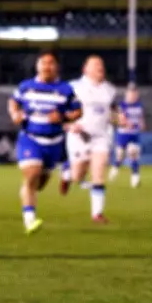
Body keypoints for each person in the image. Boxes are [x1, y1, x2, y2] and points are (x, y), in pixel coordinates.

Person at [8, 51, 82, 234]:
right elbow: (13, 102)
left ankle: (28, 192)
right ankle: (29, 219)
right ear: (37, 66)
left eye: (51, 63)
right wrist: (15, 114)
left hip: (54, 142)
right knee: (32, 175)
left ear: (56, 67)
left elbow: (78, 111)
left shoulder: (65, 89)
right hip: (30, 138)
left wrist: (63, 117)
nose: (47, 67)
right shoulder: (26, 87)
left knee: (39, 184)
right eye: (43, 63)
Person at [59, 56, 116, 223]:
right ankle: (67, 173)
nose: (100, 67)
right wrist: (68, 125)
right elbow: (60, 109)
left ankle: (97, 213)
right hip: (79, 136)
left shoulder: (109, 89)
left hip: (101, 136)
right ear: (86, 69)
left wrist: (120, 118)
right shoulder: (73, 87)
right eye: (95, 64)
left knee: (99, 172)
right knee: (78, 176)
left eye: (101, 64)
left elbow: (112, 112)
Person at [110, 86, 145, 187]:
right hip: (123, 134)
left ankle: (135, 177)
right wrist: (125, 123)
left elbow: (141, 118)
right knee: (120, 155)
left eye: (135, 94)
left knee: (133, 154)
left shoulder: (139, 105)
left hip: (134, 134)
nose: (133, 96)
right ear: (127, 94)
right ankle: (115, 168)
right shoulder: (122, 105)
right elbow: (118, 119)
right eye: (131, 94)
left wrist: (142, 124)